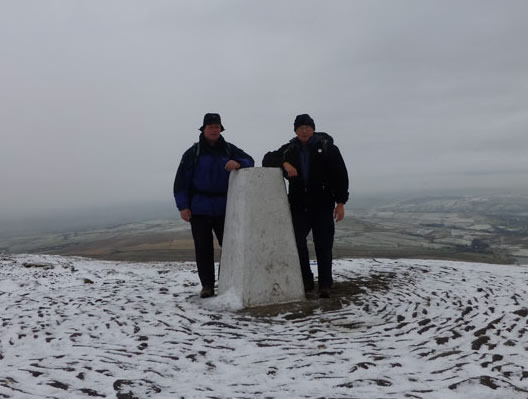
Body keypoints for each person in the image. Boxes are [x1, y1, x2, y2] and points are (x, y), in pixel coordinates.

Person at [262, 114, 349, 298]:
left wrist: (341, 203)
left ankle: (325, 284)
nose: (304, 130)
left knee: (323, 245)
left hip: (323, 204)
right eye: (300, 127)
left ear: (313, 129)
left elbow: (340, 176)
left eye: (307, 127)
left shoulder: (328, 148)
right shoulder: (289, 149)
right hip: (298, 205)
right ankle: (306, 280)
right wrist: (285, 164)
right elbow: (267, 159)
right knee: (297, 243)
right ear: (295, 130)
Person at [174, 113, 254, 298]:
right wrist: (183, 206)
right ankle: (207, 286)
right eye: (210, 126)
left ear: (221, 129)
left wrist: (239, 162)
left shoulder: (228, 149)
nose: (214, 129)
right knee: (203, 249)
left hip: (224, 207)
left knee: (230, 247)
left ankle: (226, 282)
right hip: (199, 208)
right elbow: (181, 182)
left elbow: (250, 160)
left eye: (217, 126)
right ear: (204, 129)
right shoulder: (192, 153)